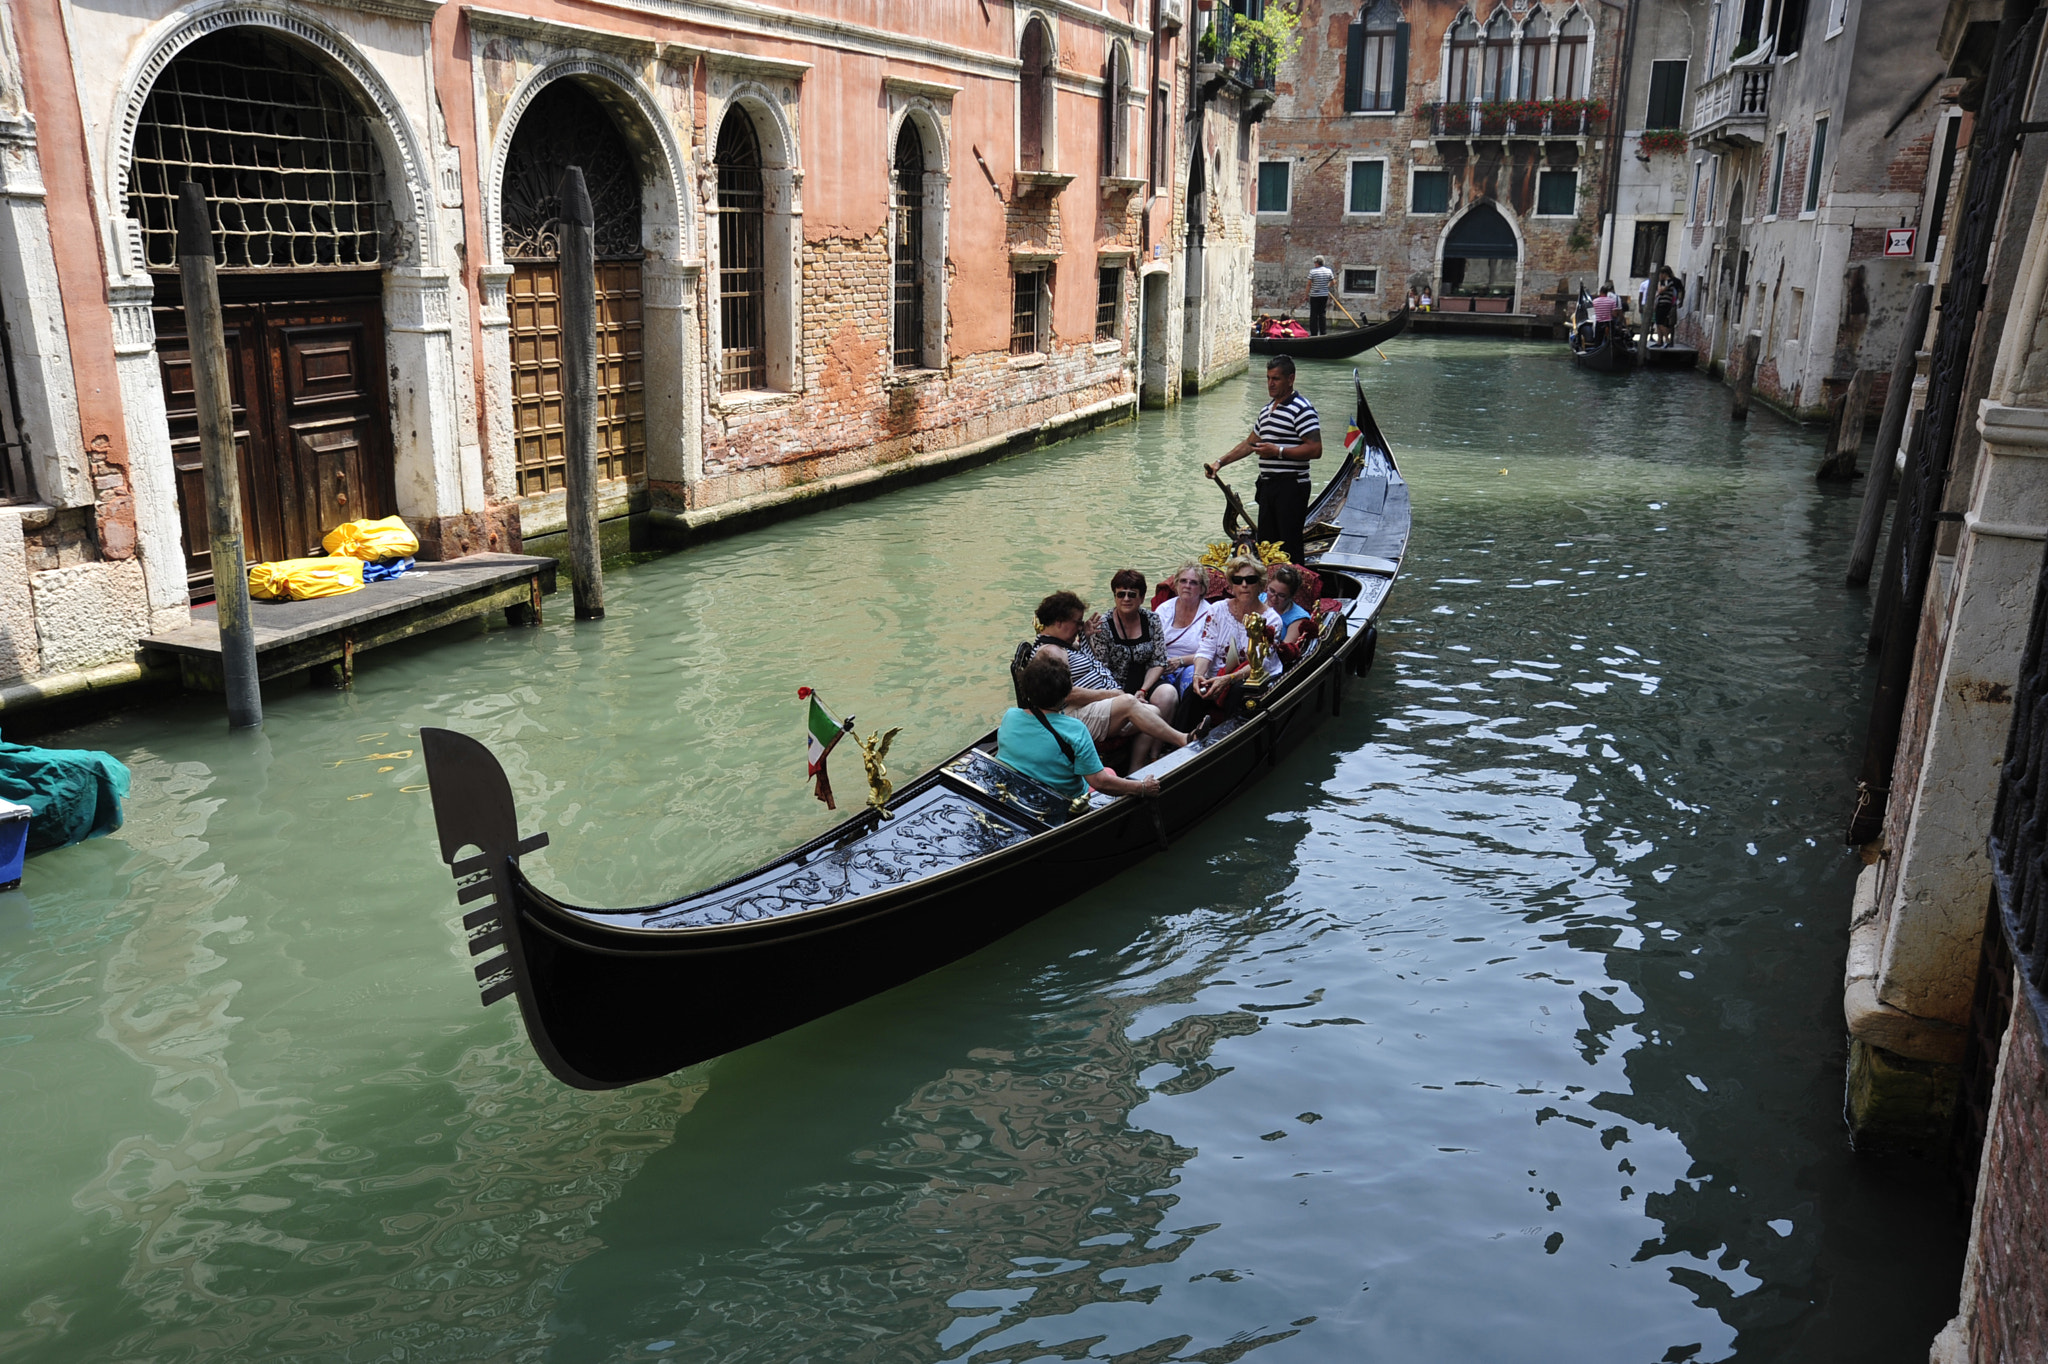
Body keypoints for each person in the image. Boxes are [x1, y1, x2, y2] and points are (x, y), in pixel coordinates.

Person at [1011, 591, 1190, 756]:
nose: (1081, 626)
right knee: (1129, 703)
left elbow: (1094, 666)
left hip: (1090, 708)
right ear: (1059, 622)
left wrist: (1086, 637)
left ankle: (1137, 766)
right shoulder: (1051, 652)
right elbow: (1067, 694)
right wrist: (1111, 694)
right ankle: (1183, 739)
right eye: (1078, 622)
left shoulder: (1064, 645)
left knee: (1153, 711)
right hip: (1072, 716)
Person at [1204, 356, 1322, 566]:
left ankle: (1296, 591)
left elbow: (1315, 449)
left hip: (1291, 486)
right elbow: (1249, 444)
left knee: (1289, 545)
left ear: (1291, 379)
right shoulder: (1267, 410)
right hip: (1268, 487)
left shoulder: (1302, 409)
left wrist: (1277, 451)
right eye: (1268, 378)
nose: (1270, 383)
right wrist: (1219, 463)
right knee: (1267, 545)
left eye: (1275, 378)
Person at [997, 652, 1161, 801]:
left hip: (1013, 789)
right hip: (1059, 800)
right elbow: (1101, 782)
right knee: (1109, 772)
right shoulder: (1075, 729)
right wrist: (1142, 787)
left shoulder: (1010, 716)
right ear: (1064, 694)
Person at [1088, 569, 1177, 767]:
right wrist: (1124, 696)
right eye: (1121, 594)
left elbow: (1158, 661)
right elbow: (1101, 668)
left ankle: (1154, 753)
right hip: (1114, 688)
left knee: (1168, 694)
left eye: (1132, 594)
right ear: (1115, 596)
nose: (1126, 599)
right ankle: (1135, 767)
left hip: (1145, 682)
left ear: (1142, 597)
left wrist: (1143, 690)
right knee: (1146, 710)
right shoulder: (1103, 625)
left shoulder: (1152, 620)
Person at [1191, 554, 1286, 714]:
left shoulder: (1271, 620)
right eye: (1238, 580)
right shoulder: (1217, 609)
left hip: (1253, 678)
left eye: (1250, 580)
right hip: (1218, 675)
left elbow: (1259, 663)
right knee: (1192, 695)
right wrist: (1198, 675)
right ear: (1231, 585)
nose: (1244, 585)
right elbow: (1206, 648)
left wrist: (1228, 679)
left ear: (1260, 584)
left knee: (1236, 692)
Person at [1157, 563, 1217, 698]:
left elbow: (1211, 652)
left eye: (1193, 583)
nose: (1187, 586)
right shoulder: (1164, 609)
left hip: (1193, 665)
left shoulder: (1211, 614)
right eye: (1183, 581)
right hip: (1162, 665)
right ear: (1177, 584)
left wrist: (1180, 661)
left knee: (1192, 677)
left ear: (1202, 589)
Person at [1263, 562, 1313, 651]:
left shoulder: (1298, 618)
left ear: (1291, 596)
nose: (1274, 598)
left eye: (1281, 595)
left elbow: (1284, 650)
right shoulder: (1259, 598)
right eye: (1271, 591)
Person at [1304, 255, 1336, 336]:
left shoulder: (1313, 272)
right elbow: (1333, 282)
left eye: (1315, 262)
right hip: (1324, 295)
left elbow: (1308, 284)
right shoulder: (1328, 271)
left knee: (1314, 315)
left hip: (1314, 295)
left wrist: (1306, 295)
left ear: (1317, 263)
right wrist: (1327, 286)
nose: (1314, 264)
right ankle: (1323, 332)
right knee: (1322, 314)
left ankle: (1314, 333)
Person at [1653, 266, 1682, 347]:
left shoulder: (1669, 282)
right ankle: (1659, 341)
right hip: (1660, 303)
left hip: (1665, 304)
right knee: (1658, 323)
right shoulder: (1663, 282)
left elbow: (1660, 291)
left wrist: (1659, 283)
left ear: (1664, 274)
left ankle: (1667, 339)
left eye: (1661, 274)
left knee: (1661, 322)